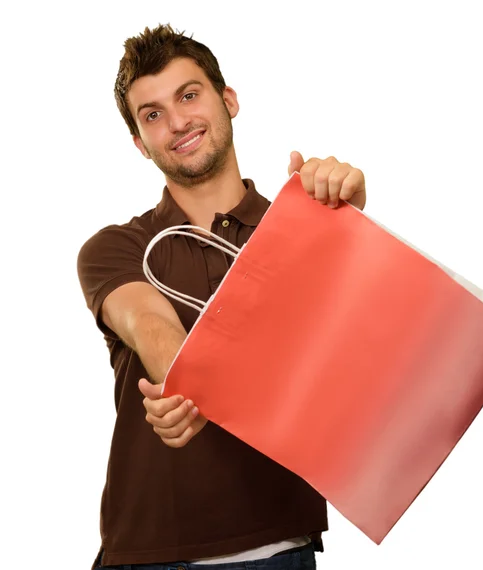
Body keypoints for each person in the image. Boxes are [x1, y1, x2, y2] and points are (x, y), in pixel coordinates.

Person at [77, 23, 367, 570]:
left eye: (189, 95)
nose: (178, 122)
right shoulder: (117, 248)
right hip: (149, 555)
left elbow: (360, 340)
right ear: (140, 144)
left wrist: (346, 222)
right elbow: (148, 323)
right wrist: (188, 381)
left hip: (280, 549)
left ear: (228, 100)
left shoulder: (307, 226)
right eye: (153, 114)